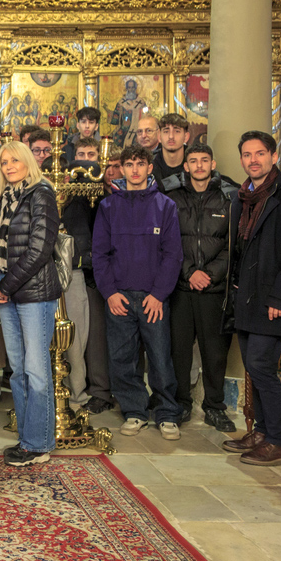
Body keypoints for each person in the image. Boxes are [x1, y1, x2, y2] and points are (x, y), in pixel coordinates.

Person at [223, 131, 281, 466]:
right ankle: (262, 431)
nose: (253, 160)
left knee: (262, 365)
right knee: (253, 366)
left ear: (274, 156)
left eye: (260, 153)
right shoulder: (243, 198)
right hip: (247, 297)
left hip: (273, 300)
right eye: (247, 155)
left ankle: (279, 441)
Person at [91, 144, 183, 440]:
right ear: (121, 169)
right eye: (129, 164)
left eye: (140, 164)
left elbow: (173, 255)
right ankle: (134, 411)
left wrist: (159, 294)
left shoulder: (165, 206)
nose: (134, 170)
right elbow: (100, 254)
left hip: (153, 298)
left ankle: (167, 413)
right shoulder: (108, 207)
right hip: (119, 296)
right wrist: (109, 293)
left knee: (160, 357)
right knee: (122, 358)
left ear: (149, 168)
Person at [0, 141, 61, 467]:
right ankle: (28, 439)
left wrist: (5, 285)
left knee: (36, 371)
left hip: (35, 294)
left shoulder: (41, 194)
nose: (9, 166)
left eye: (15, 160)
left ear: (28, 161)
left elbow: (40, 249)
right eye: (4, 162)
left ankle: (38, 444)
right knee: (17, 371)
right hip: (9, 292)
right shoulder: (5, 197)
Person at [168, 142, 237, 433]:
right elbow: (167, 242)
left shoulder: (229, 197)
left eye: (204, 160)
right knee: (179, 351)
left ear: (213, 164)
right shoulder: (171, 197)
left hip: (214, 289)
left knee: (215, 353)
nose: (199, 165)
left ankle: (214, 407)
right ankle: (181, 404)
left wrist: (208, 274)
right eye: (193, 161)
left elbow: (233, 245)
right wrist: (189, 272)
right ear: (186, 166)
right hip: (181, 288)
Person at [62, 138, 114, 414]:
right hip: (55, 273)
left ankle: (84, 393)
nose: (84, 162)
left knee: (84, 338)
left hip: (85, 271)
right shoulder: (55, 192)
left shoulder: (91, 195)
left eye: (90, 156)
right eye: (79, 155)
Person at [155, 113, 190, 188]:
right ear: (159, 136)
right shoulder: (149, 166)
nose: (171, 136)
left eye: (177, 131)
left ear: (186, 137)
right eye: (166, 131)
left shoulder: (196, 163)